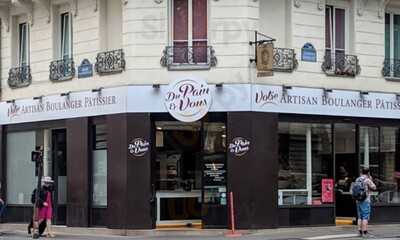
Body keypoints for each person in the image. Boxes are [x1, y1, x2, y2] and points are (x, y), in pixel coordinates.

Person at [352, 168, 376, 237]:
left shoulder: (357, 179)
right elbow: (374, 187)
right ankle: (365, 233)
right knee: (365, 217)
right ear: (368, 173)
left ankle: (359, 232)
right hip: (365, 200)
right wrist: (370, 179)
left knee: (360, 217)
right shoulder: (367, 179)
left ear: (361, 172)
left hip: (358, 200)